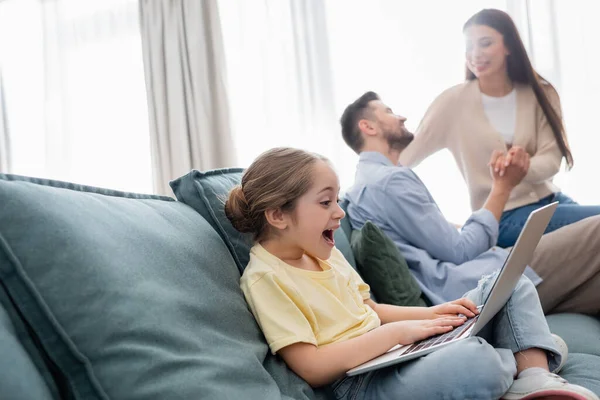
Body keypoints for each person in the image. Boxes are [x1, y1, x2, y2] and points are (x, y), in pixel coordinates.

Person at [224, 147, 597, 400]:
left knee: (509, 282)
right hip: (363, 380)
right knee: (476, 363)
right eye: (325, 202)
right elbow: (312, 366)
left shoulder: (324, 251)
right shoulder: (265, 278)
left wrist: (436, 313)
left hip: (396, 350)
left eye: (337, 200)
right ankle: (527, 350)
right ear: (278, 215)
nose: (338, 212)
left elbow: (371, 309)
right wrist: (395, 335)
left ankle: (533, 377)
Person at [341, 91, 600, 315]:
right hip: (477, 286)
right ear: (369, 127)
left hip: (473, 282)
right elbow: (461, 251)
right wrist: (502, 187)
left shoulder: (365, 185)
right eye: (389, 111)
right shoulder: (389, 182)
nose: (401, 117)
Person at [398, 8, 600, 248]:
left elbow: (552, 159)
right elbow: (404, 161)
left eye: (485, 43)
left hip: (554, 201)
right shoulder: (452, 103)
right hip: (503, 218)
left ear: (509, 46)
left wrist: (520, 169)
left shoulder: (540, 93)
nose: (475, 54)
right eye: (469, 47)